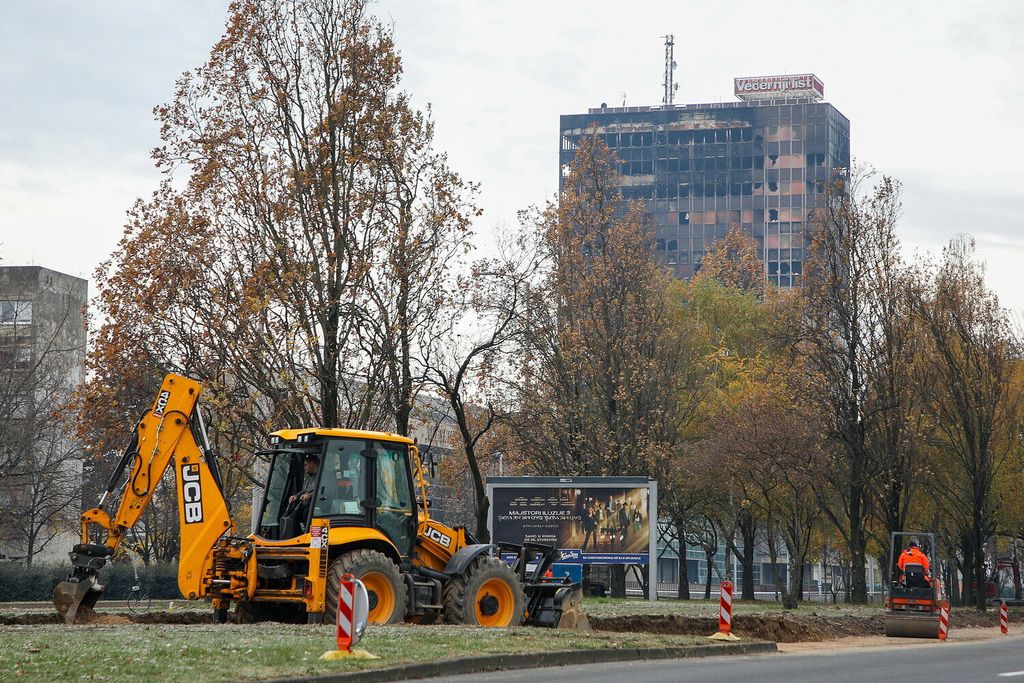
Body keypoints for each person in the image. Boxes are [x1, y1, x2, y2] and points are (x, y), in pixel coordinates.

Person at [283, 454, 320, 524]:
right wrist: (296, 496)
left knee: (306, 512)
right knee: (291, 509)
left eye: (306, 465)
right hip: (308, 504)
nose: (304, 468)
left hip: (319, 505)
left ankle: (307, 529)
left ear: (312, 464)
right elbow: (304, 490)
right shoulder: (309, 478)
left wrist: (310, 495)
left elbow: (324, 491)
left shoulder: (323, 476)